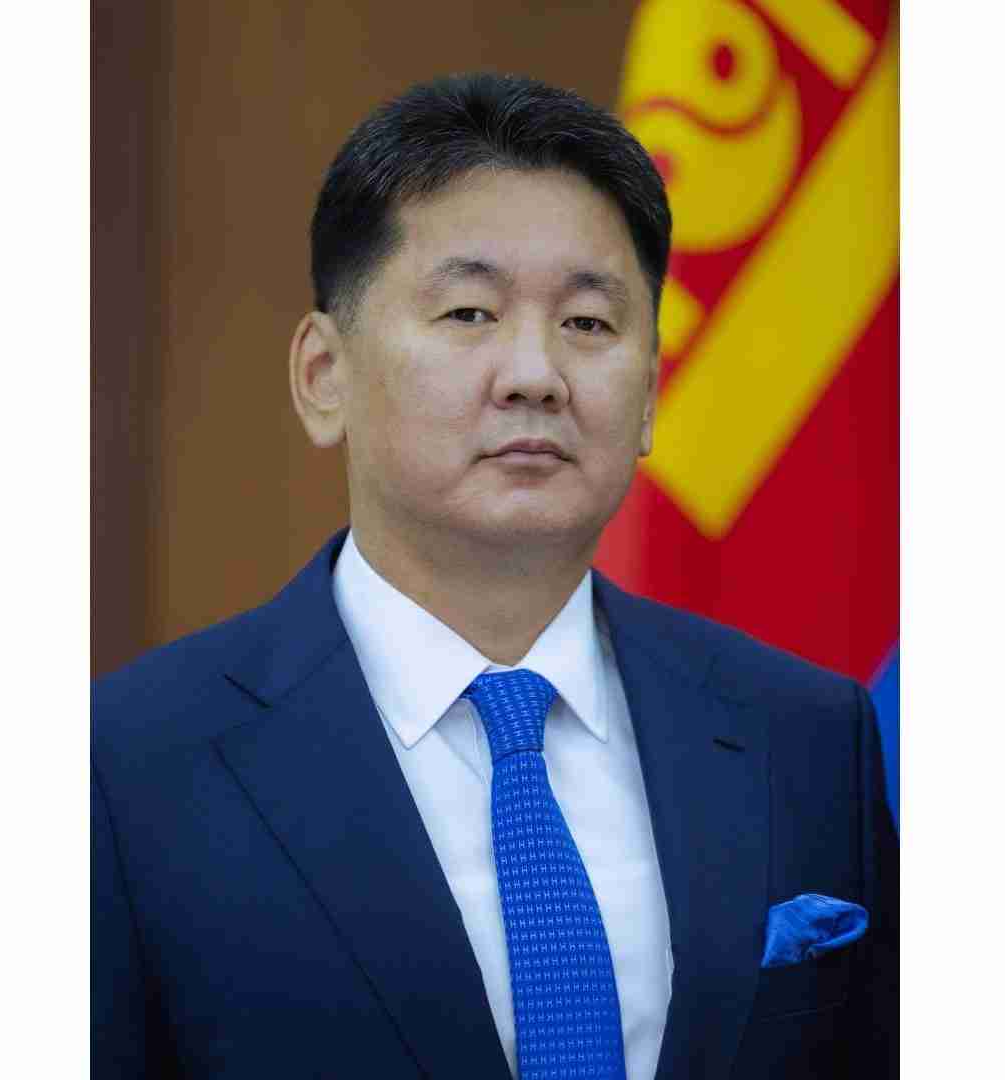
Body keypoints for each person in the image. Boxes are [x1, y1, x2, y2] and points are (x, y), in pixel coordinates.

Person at [92, 72, 896, 1080]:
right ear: (323, 375)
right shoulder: (127, 767)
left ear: (649, 396)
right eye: (469, 313)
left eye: (588, 324)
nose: (533, 375)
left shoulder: (805, 738)